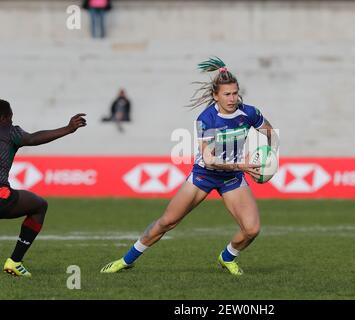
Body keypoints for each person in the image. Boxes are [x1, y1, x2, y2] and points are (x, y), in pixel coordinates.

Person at [100, 57, 279, 276]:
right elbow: (211, 160)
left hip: (232, 177)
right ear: (215, 95)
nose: (233, 98)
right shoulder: (207, 119)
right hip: (204, 175)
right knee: (167, 222)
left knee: (252, 229)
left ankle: (227, 256)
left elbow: (270, 133)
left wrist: (267, 155)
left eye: (235, 93)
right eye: (227, 94)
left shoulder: (249, 112)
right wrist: (242, 164)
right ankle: (126, 260)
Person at [0, 99, 86, 277]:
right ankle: (15, 261)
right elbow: (32, 138)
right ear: (3, 118)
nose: (12, 121)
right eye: (10, 118)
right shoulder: (9, 131)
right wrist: (68, 129)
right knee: (39, 206)